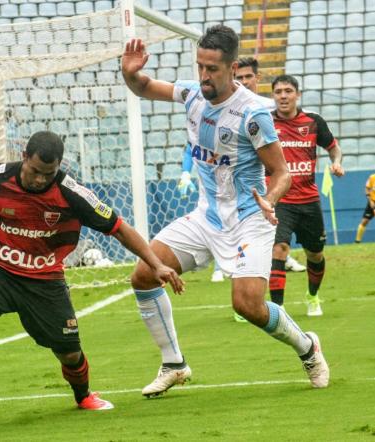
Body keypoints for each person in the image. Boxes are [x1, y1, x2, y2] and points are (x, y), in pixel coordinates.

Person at [0, 131, 183, 416]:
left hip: (45, 279)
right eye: (35, 171)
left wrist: (156, 264)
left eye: (49, 173)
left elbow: (119, 227)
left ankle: (83, 396)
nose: (41, 179)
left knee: (69, 353)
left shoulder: (72, 193)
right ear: (24, 158)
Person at [121, 25, 329, 398]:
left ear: (232, 68)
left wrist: (271, 198)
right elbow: (143, 87)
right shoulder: (191, 94)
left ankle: (308, 348)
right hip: (207, 216)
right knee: (144, 274)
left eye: (212, 68)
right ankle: (174, 363)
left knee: (247, 304)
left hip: (250, 218)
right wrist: (130, 72)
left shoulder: (253, 114)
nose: (204, 75)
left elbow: (281, 173)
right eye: (200, 66)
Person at [267, 75, 344, 316]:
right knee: (278, 249)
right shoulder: (266, 122)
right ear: (273, 96)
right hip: (280, 200)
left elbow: (333, 147)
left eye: (288, 91)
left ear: (297, 95)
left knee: (315, 254)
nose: (283, 95)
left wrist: (337, 163)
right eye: (278, 91)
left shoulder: (313, 122)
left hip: (309, 201)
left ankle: (312, 296)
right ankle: (278, 311)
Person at [235, 57, 306, 274]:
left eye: (248, 76)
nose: (244, 82)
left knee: (275, 229)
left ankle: (282, 258)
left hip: (275, 179)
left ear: (258, 78)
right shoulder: (229, 108)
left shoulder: (268, 108)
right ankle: (228, 265)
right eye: (239, 77)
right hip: (248, 181)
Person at [354, 173, 375, 243]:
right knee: (364, 221)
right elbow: (367, 188)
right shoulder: (372, 177)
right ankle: (357, 241)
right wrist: (370, 200)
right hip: (372, 202)